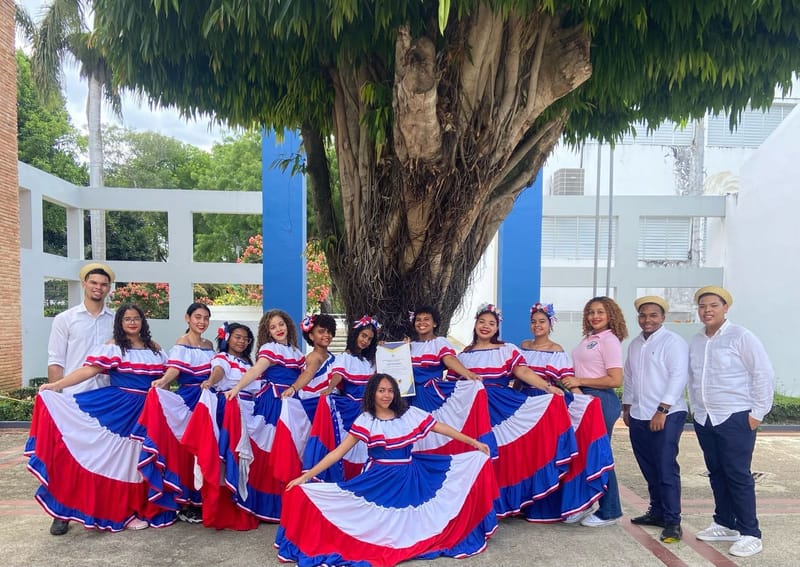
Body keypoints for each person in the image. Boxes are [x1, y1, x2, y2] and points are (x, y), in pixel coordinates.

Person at [276, 373, 498, 566]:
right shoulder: (366, 420)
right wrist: (306, 476)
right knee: (370, 522)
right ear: (372, 393)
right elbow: (337, 453)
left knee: (410, 522)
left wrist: (474, 442)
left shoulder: (409, 414)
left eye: (390, 390)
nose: (386, 395)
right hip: (378, 480)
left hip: (410, 478)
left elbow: (443, 429)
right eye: (381, 390)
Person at [27, 304, 172, 532]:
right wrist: (57, 385)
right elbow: (88, 370)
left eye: (136, 318)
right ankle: (120, 511)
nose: (132, 322)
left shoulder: (155, 349)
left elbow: (167, 378)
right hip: (119, 412)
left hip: (148, 413)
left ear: (143, 321)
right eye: (127, 319)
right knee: (120, 462)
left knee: (139, 461)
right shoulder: (114, 347)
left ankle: (138, 507)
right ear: (120, 323)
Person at [453, 303, 572, 518]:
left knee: (506, 455)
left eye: (492, 323)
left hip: (501, 409)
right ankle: (480, 503)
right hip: (473, 411)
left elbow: (523, 371)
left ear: (497, 328)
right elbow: (454, 387)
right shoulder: (463, 355)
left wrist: (546, 387)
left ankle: (503, 504)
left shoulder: (506, 349)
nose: (486, 327)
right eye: (482, 322)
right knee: (477, 454)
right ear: (475, 324)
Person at [689, 286, 774, 558]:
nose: (707, 310)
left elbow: (762, 373)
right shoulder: (697, 340)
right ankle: (725, 523)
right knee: (716, 472)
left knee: (738, 475)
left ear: (726, 308)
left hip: (736, 416)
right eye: (703, 306)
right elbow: (693, 378)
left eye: (714, 305)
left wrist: (757, 413)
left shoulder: (741, 337)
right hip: (705, 417)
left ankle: (751, 533)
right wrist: (695, 408)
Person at [519, 303, 613, 523]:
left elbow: (567, 379)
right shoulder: (522, 346)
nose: (537, 325)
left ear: (550, 324)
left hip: (545, 406)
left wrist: (583, 400)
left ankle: (545, 505)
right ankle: (525, 501)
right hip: (523, 405)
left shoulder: (556, 350)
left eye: (542, 321)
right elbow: (517, 376)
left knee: (545, 455)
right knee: (527, 455)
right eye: (534, 322)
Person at [43, 262, 116, 536]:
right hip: (74, 397)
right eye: (94, 283)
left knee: (101, 457)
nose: (98, 288)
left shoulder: (115, 320)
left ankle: (98, 510)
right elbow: (56, 360)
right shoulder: (65, 319)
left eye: (103, 284)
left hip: (106, 396)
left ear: (109, 289)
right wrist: (57, 394)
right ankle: (61, 512)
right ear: (84, 284)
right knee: (67, 458)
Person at [222, 309, 305, 521]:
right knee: (271, 451)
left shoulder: (297, 352)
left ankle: (286, 503)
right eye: (273, 327)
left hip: (292, 404)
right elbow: (256, 370)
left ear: (288, 325)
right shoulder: (270, 348)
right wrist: (238, 388)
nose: (278, 329)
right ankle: (267, 506)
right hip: (273, 404)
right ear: (267, 332)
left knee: (289, 451)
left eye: (281, 324)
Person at [137, 303, 214, 523]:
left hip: (206, 401)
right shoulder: (182, 342)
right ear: (187, 318)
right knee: (186, 452)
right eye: (197, 317)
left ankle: (200, 500)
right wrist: (162, 382)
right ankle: (184, 501)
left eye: (206, 318)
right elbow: (175, 368)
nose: (201, 322)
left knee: (203, 451)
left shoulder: (209, 344)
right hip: (187, 401)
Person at [181, 322, 260, 530]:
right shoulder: (222, 358)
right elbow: (219, 372)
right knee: (232, 458)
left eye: (245, 338)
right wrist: (210, 381)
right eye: (237, 337)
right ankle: (228, 508)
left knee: (251, 460)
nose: (241, 341)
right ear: (227, 338)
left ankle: (249, 504)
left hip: (251, 412)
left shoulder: (250, 364)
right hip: (232, 411)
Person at [622, 296, 688, 543]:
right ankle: (657, 512)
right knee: (648, 467)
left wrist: (662, 410)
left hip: (666, 415)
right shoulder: (635, 344)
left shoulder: (673, 342)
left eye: (653, 315)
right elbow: (629, 377)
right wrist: (627, 407)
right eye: (643, 315)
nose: (647, 320)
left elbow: (678, 376)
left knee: (665, 467)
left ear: (663, 317)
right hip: (638, 414)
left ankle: (673, 521)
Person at [562, 296, 627, 527]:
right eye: (590, 312)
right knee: (583, 453)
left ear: (610, 315)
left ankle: (610, 510)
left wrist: (579, 379)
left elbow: (615, 379)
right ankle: (584, 503)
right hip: (583, 398)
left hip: (600, 400)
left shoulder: (609, 340)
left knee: (600, 455)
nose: (594, 316)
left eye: (600, 312)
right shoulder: (590, 339)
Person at [302, 315, 381, 481]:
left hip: (371, 410)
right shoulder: (345, 357)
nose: (365, 341)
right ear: (355, 335)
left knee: (367, 448)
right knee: (348, 447)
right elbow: (337, 375)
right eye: (363, 336)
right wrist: (329, 388)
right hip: (352, 409)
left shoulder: (369, 361)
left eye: (369, 338)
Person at [406, 306, 494, 455]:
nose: (422, 323)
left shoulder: (440, 342)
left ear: (434, 323)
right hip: (408, 397)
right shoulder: (409, 346)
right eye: (418, 320)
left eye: (426, 319)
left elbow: (449, 359)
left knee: (433, 433)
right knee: (414, 435)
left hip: (430, 395)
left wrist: (467, 374)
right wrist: (387, 349)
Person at [272, 314, 338, 483]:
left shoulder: (331, 356)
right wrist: (293, 388)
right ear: (311, 335)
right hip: (314, 408)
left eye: (329, 331)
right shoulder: (313, 357)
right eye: (321, 331)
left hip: (327, 408)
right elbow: (308, 374)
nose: (326, 335)